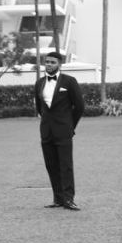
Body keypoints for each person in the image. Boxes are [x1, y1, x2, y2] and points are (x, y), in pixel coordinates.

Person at [34, 51, 85, 210]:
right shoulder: (39, 83)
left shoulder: (69, 81)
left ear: (59, 64)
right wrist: (47, 123)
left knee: (65, 165)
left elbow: (80, 106)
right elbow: (39, 107)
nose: (49, 65)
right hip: (46, 131)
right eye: (47, 62)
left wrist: (70, 125)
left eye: (52, 62)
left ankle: (69, 199)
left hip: (64, 131)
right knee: (51, 165)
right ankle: (58, 198)